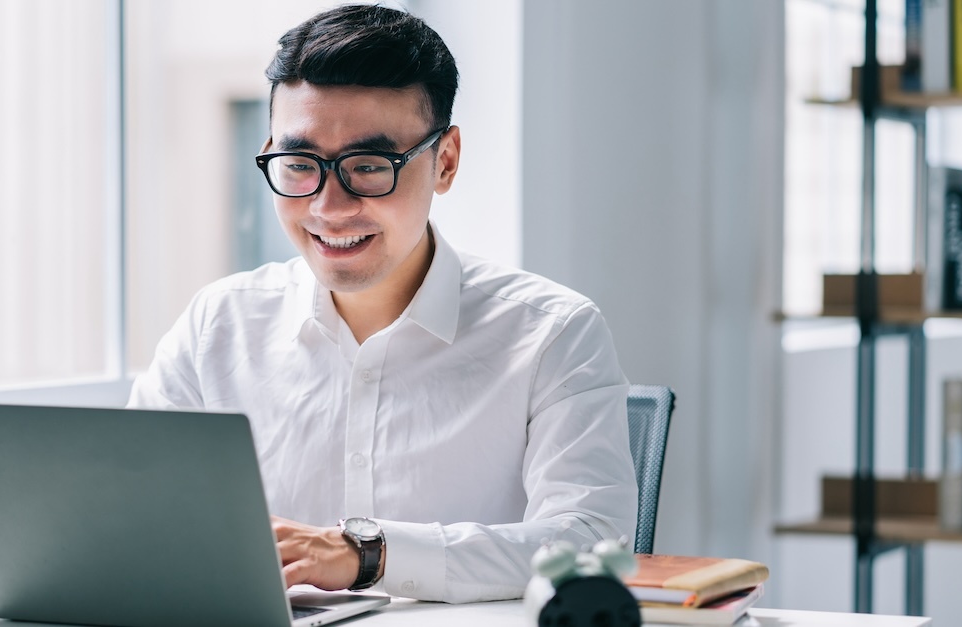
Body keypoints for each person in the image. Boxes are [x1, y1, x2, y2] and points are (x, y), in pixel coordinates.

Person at [128, 4, 637, 604]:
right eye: (299, 165)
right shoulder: (218, 324)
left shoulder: (554, 334)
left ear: (443, 161)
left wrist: (368, 557)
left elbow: (588, 541)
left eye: (369, 167)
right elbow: (132, 515)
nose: (329, 206)